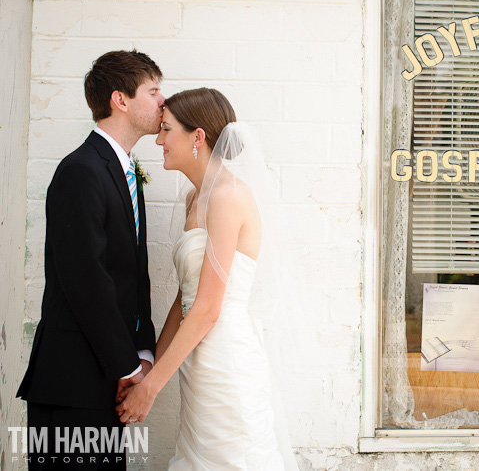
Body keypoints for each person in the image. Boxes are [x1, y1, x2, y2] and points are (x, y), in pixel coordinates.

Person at [115, 88, 300, 471]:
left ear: (197, 137)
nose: (159, 139)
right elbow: (184, 302)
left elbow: (208, 308)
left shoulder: (228, 196)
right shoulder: (194, 199)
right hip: (197, 361)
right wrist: (151, 366)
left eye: (166, 130)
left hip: (225, 360)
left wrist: (150, 390)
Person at [16, 50, 162, 469]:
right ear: (121, 99)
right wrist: (127, 367)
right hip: (71, 383)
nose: (162, 102)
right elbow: (86, 279)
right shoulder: (81, 170)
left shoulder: (125, 170)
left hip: (108, 382)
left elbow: (134, 276)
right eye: (153, 91)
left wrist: (143, 354)